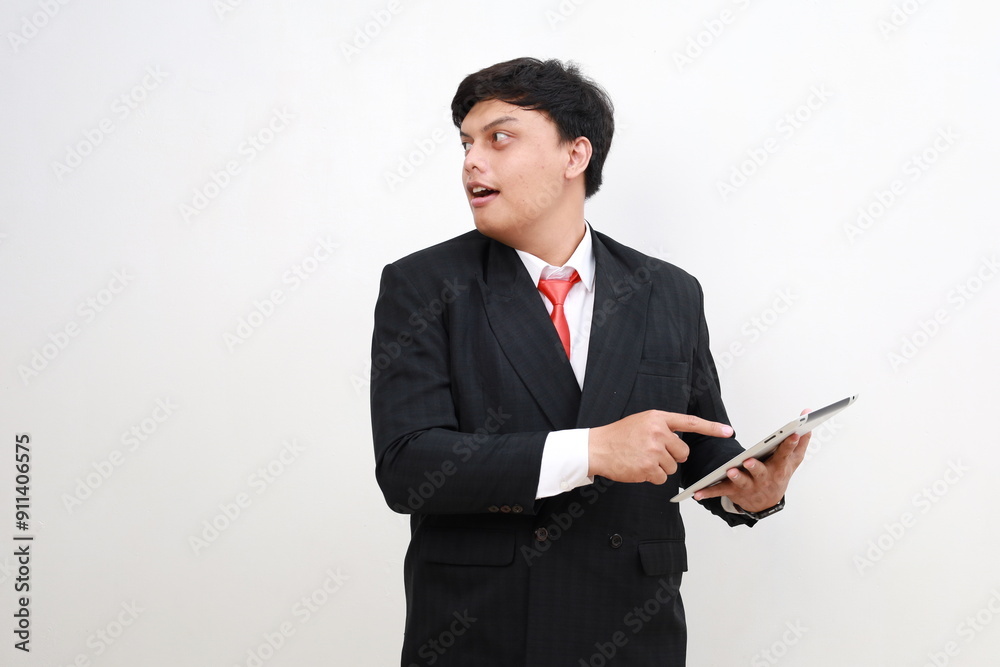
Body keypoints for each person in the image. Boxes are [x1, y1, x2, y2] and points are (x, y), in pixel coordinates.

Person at [370, 57, 810, 667]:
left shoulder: (669, 291)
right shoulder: (423, 285)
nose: (472, 160)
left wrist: (751, 492)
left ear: (576, 155)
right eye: (466, 143)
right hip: (481, 632)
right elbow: (408, 466)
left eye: (499, 137)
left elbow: (698, 448)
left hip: (634, 630)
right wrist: (592, 450)